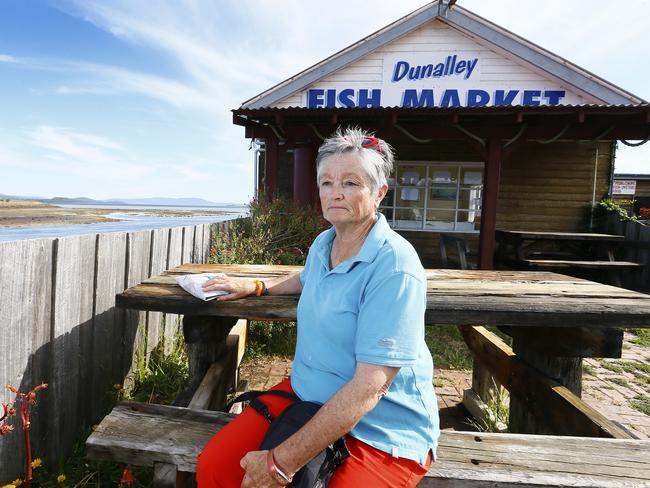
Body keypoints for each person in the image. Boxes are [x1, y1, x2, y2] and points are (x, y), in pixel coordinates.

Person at [196, 127, 439, 488]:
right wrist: (258, 286)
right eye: (326, 182)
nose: (335, 192)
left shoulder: (395, 266)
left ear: (379, 193)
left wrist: (280, 462)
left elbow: (371, 388)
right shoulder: (325, 243)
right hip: (308, 392)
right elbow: (307, 277)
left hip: (382, 424)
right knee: (215, 468)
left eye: (351, 183)